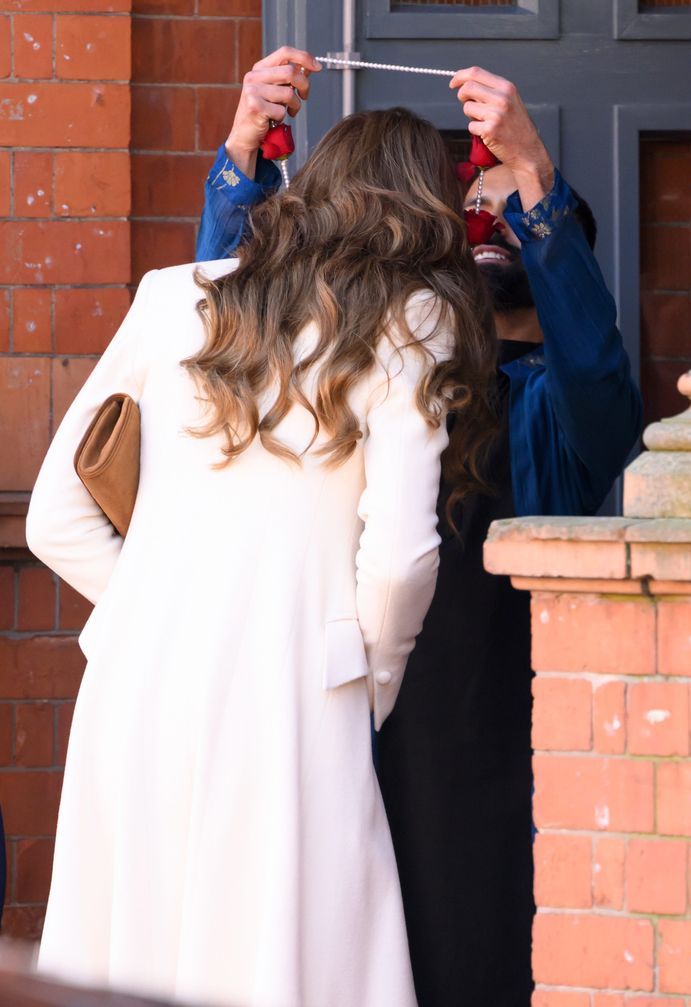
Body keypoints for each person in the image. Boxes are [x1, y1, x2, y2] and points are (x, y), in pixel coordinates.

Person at [195, 49, 643, 1007]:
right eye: (471, 208)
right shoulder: (384, 386)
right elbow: (233, 347)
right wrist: (244, 158)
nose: (489, 220)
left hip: (482, 773)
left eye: (514, 215)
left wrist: (533, 173)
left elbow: (604, 392)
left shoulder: (553, 411)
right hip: (338, 743)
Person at [25, 107, 500, 1007]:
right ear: (424, 208)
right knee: (284, 961)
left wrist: (156, 613)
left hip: (134, 685)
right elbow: (400, 559)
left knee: (133, 952)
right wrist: (369, 681)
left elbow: (57, 516)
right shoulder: (416, 316)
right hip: (292, 693)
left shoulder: (171, 295)